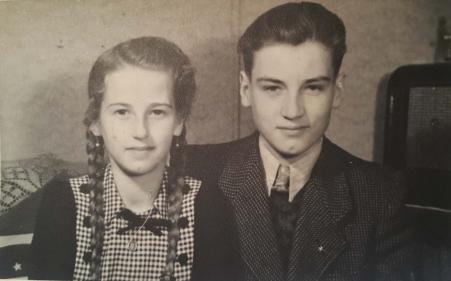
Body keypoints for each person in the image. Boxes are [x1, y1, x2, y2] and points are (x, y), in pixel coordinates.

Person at [191, 2, 415, 280]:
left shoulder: (380, 195)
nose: (293, 111)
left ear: (338, 91)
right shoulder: (193, 173)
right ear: (245, 90)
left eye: (313, 88)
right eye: (273, 88)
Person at [29, 37, 240, 281]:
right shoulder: (63, 203)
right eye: (122, 112)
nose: (140, 131)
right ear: (96, 122)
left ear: (179, 122)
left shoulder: (208, 206)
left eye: (157, 112)